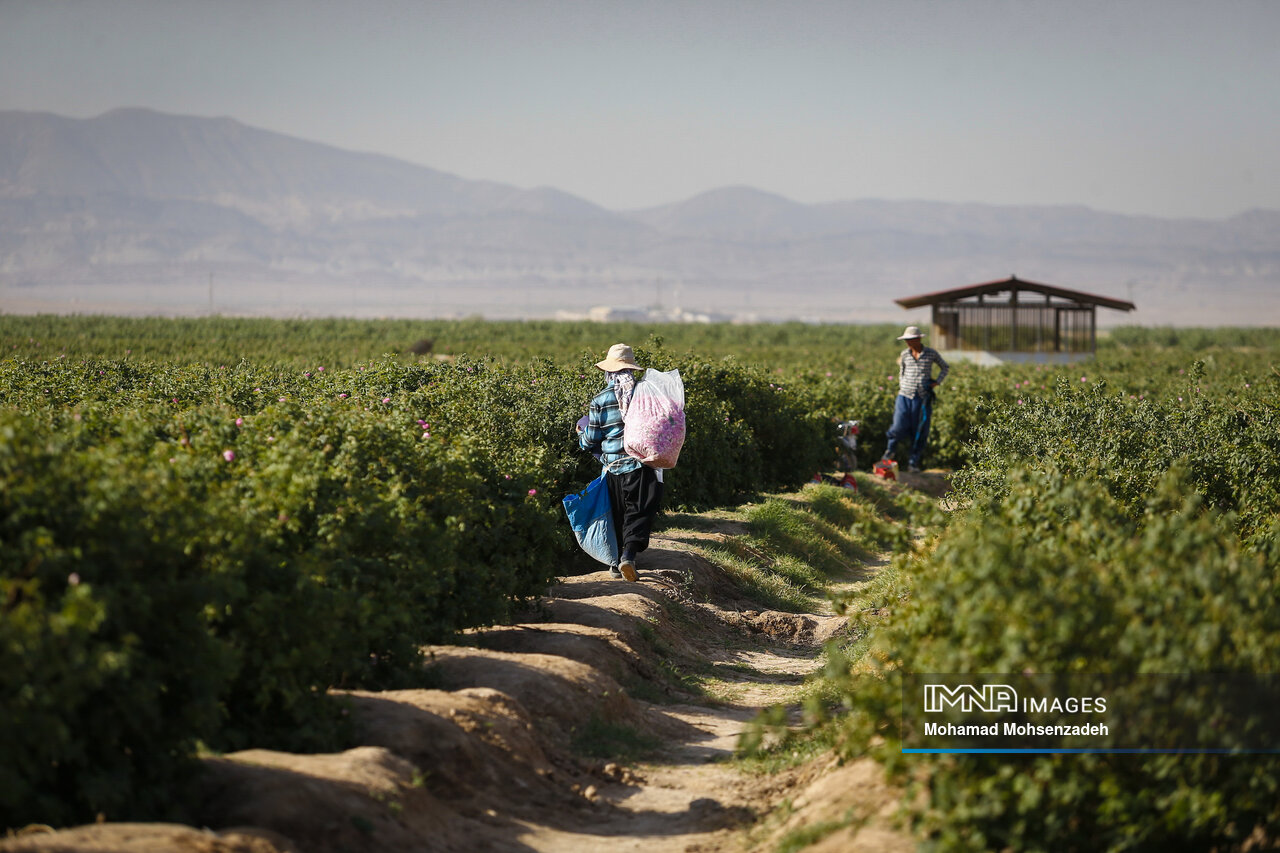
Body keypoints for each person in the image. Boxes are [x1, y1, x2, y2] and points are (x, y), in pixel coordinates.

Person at [578, 343, 664, 581]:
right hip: (641, 464)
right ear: (631, 370)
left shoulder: (600, 399)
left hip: (613, 466)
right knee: (638, 512)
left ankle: (616, 563)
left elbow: (592, 438)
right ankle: (628, 555)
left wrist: (581, 434)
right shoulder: (644, 395)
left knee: (616, 513)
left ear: (609, 371)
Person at [882, 325, 948, 473]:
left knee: (919, 430)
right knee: (898, 425)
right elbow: (902, 372)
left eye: (910, 340)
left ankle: (913, 462)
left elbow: (945, 367)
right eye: (906, 340)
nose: (908, 343)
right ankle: (890, 451)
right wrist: (903, 384)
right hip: (904, 395)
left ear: (918, 339)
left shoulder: (931, 354)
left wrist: (937, 382)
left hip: (922, 398)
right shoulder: (905, 354)